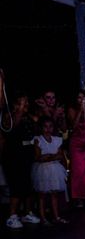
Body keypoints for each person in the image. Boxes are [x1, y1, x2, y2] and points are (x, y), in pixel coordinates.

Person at [2, 94, 40, 228]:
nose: (27, 105)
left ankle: (27, 213)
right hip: (14, 155)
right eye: (24, 102)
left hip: (27, 153)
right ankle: (12, 215)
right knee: (16, 185)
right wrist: (19, 109)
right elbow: (11, 128)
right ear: (16, 104)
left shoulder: (27, 116)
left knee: (27, 184)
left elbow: (36, 126)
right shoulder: (8, 116)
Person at [31, 116, 68, 224]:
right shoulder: (38, 139)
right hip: (42, 170)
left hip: (55, 170)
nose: (48, 129)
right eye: (45, 127)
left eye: (50, 126)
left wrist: (48, 157)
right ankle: (43, 217)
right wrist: (53, 156)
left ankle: (56, 216)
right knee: (42, 195)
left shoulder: (57, 140)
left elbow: (60, 156)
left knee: (54, 194)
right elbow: (38, 157)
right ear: (41, 127)